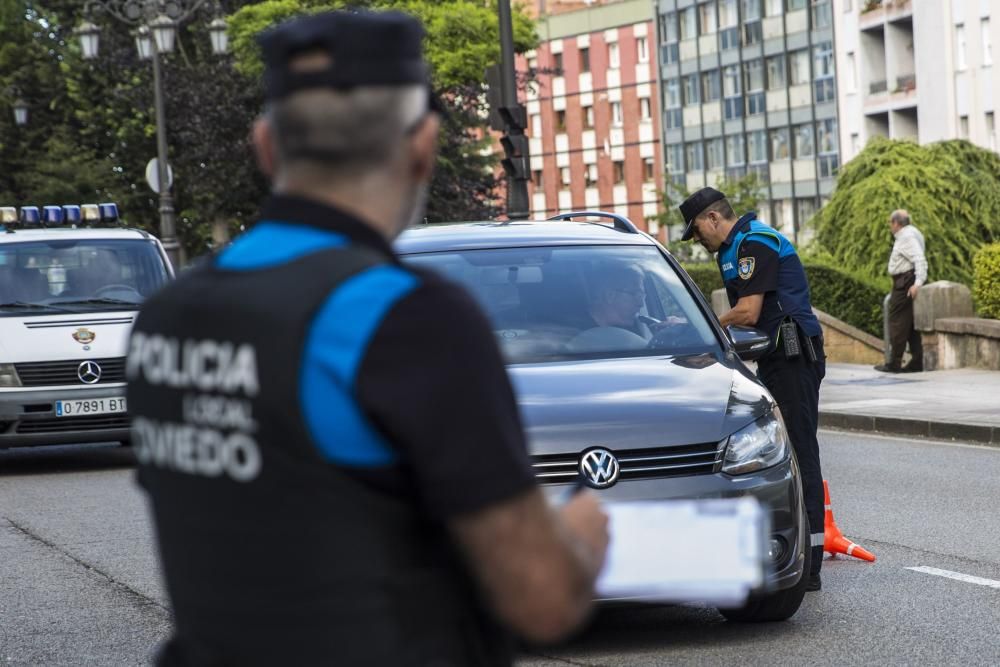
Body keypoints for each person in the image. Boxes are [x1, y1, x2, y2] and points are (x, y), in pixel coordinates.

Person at [125, 10, 608, 666]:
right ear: (423, 146)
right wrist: (580, 537)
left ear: (266, 145)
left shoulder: (167, 312)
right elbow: (541, 598)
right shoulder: (405, 317)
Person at [679, 187, 826, 592]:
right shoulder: (732, 250)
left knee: (799, 452)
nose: (699, 241)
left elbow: (748, 311)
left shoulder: (754, 241)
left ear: (712, 219)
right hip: (776, 357)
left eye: (697, 231)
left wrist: (705, 326)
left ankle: (809, 564)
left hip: (794, 356)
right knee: (790, 451)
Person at [875, 209, 927, 373]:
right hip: (906, 281)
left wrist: (917, 283)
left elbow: (920, 259)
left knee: (897, 322)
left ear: (896, 223)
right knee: (910, 324)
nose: (890, 226)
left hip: (904, 283)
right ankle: (917, 362)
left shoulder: (906, 236)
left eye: (891, 223)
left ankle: (894, 364)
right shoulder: (913, 232)